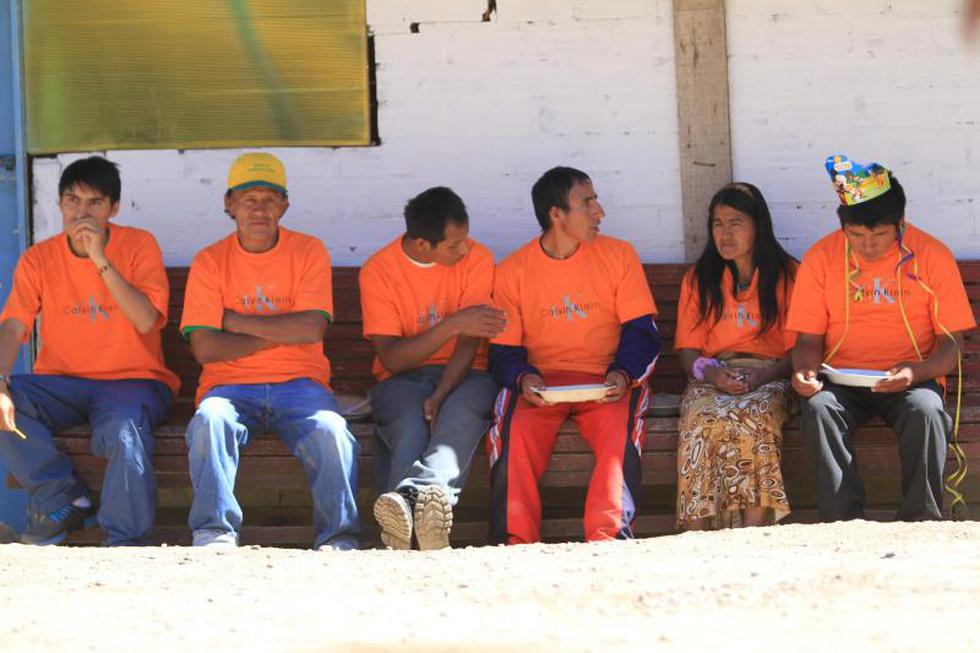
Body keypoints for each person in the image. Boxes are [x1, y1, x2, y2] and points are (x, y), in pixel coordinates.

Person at [180, 152, 359, 550]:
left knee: (333, 432)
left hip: (301, 384)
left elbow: (312, 328)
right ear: (229, 204)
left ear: (285, 205)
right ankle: (214, 531)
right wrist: (284, 332)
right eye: (248, 199)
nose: (259, 209)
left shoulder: (308, 251)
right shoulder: (210, 261)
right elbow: (205, 348)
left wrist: (233, 320)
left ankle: (339, 537)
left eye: (269, 199)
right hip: (228, 387)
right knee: (209, 420)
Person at [0, 156, 178, 545]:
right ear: (60, 204)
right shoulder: (39, 258)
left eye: (94, 202)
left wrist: (100, 259)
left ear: (114, 208)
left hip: (133, 380)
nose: (81, 212)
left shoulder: (139, 245)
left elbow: (146, 320)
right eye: (72, 200)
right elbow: (13, 324)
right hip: (61, 383)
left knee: (123, 434)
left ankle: (126, 542)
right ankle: (65, 501)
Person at [789, 154, 976, 522]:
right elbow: (807, 339)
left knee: (927, 411)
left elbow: (952, 344)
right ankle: (841, 522)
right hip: (840, 380)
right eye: (856, 235)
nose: (868, 245)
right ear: (843, 227)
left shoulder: (932, 255)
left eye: (879, 235)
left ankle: (922, 519)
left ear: (900, 223)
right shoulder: (820, 257)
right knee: (819, 409)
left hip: (911, 378)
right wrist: (805, 372)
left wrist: (916, 372)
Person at [487, 166, 661, 544]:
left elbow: (642, 332)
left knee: (617, 434)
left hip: (607, 380)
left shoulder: (619, 255)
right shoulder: (513, 270)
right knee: (515, 431)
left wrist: (623, 373)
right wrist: (523, 378)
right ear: (557, 214)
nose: (600, 211)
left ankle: (608, 538)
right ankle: (515, 543)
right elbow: (503, 351)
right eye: (588, 203)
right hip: (541, 384)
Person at [360, 187, 504, 550]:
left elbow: (471, 340)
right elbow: (393, 358)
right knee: (410, 425)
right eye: (454, 244)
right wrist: (453, 324)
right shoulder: (379, 271)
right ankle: (417, 519)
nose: (465, 249)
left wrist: (441, 393)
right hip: (401, 379)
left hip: (467, 373)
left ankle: (408, 505)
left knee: (458, 415)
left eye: (465, 238)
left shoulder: (478, 258)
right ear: (422, 245)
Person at [674, 183, 797, 530]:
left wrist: (761, 377)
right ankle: (696, 531)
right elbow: (687, 351)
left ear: (758, 226)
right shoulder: (699, 278)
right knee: (700, 415)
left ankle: (752, 530)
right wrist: (712, 374)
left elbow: (797, 351)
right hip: (714, 374)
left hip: (771, 375)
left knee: (752, 414)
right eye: (718, 224)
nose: (725, 234)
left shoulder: (788, 275)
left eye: (735, 223)